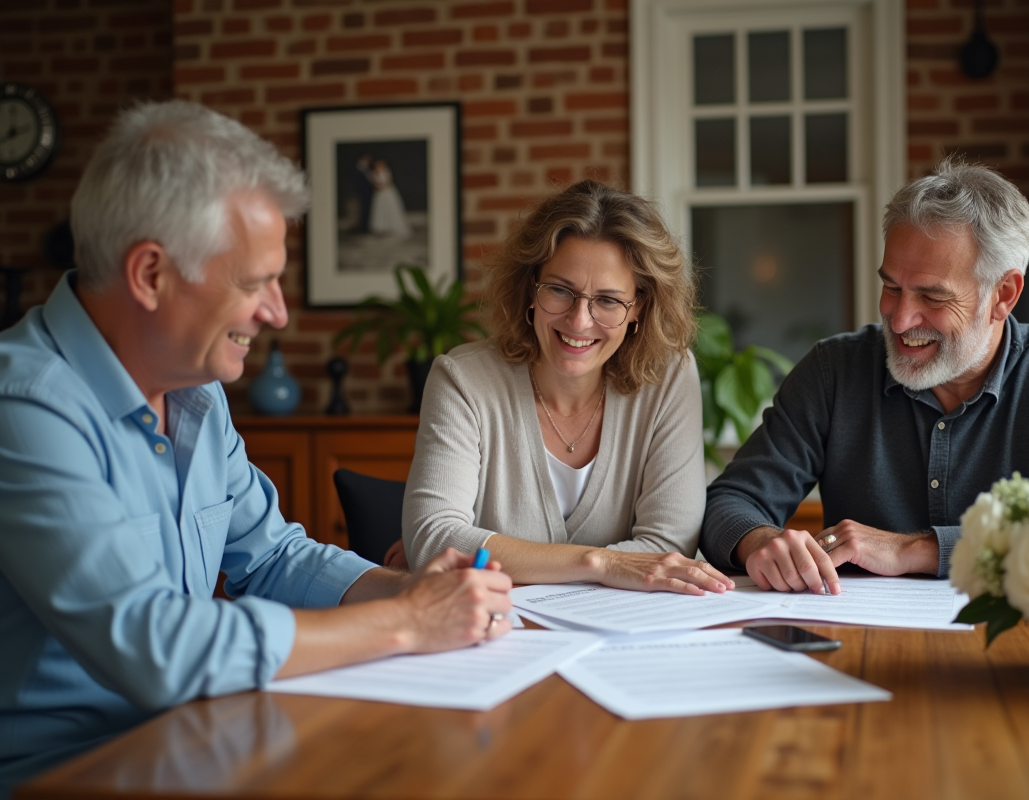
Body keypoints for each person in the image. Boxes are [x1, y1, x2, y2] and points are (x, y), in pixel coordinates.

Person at [0, 101, 512, 796]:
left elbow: (272, 556)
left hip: (197, 746)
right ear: (150, 274)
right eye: (253, 282)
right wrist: (410, 620)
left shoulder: (195, 395)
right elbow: (158, 648)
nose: (277, 312)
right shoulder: (23, 409)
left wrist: (420, 590)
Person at [700, 159, 1029, 595]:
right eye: (891, 287)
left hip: (1027, 648)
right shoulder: (833, 372)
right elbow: (730, 502)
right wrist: (761, 541)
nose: (900, 320)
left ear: (1003, 294)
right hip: (862, 646)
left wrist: (917, 549)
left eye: (932, 297)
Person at [392, 180, 734, 595]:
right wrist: (601, 562)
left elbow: (668, 544)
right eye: (560, 290)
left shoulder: (669, 377)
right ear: (531, 288)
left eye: (608, 300)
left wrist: (504, 555)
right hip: (499, 635)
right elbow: (433, 539)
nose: (578, 321)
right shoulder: (462, 379)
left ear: (639, 308)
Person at [368, 158, 412, 239]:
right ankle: (382, 227)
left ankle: (393, 225)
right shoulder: (373, 173)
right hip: (379, 194)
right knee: (380, 209)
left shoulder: (386, 171)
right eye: (377, 165)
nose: (379, 166)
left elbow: (389, 182)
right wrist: (376, 187)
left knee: (391, 208)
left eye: (380, 164)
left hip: (387, 192)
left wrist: (381, 187)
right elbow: (373, 183)